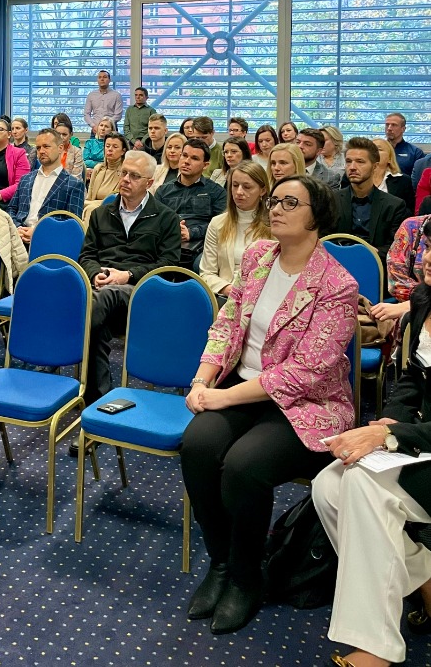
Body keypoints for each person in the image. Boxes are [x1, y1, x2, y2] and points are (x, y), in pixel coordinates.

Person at [181, 176, 358, 634]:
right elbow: (226, 325)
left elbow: (304, 373)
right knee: (197, 445)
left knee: (244, 465)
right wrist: (202, 380)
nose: (275, 208)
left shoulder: (337, 285)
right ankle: (221, 562)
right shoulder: (258, 257)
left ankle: (246, 577)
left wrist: (222, 396)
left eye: (289, 202)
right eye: (274, 200)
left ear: (317, 216)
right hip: (241, 387)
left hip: (307, 407)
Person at [313, 252, 431, 667]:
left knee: (363, 483)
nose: (427, 257)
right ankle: (425, 576)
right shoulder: (423, 300)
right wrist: (390, 419)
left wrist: (390, 435)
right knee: (328, 485)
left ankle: (376, 650)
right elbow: (413, 378)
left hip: (421, 442)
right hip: (421, 440)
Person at [76, 150, 181, 419]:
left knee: (101, 299)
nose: (125, 179)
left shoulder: (166, 217)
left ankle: (67, 332)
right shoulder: (101, 214)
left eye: (134, 176)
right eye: (123, 173)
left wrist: (128, 275)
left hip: (142, 293)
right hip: (102, 293)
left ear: (149, 182)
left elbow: (169, 266)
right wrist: (95, 273)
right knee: (97, 325)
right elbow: (87, 256)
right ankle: (97, 403)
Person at [199, 161, 270, 301]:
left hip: (262, 298)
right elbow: (206, 273)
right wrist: (229, 289)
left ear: (262, 190)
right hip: (225, 297)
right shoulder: (217, 223)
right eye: (235, 185)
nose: (239, 192)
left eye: (247, 187)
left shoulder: (274, 225)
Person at [156, 138, 226, 269]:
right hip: (167, 243)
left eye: (194, 158)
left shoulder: (216, 192)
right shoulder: (163, 191)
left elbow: (222, 225)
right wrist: (173, 229)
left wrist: (191, 232)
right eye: (184, 155)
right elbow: (154, 221)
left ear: (205, 165)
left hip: (202, 245)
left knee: (200, 263)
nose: (187, 161)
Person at [336, 137, 407, 266]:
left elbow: (395, 248)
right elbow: (322, 239)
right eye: (348, 161)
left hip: (375, 266)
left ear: (374, 166)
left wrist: (367, 254)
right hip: (336, 265)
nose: (352, 167)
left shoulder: (394, 205)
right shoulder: (331, 200)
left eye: (360, 162)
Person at [7, 128, 85, 244]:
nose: (41, 151)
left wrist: (39, 232)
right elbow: (11, 209)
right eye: (38, 148)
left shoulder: (74, 185)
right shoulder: (26, 179)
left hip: (49, 242)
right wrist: (18, 228)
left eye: (46, 146)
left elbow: (72, 224)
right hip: (18, 238)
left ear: (60, 148)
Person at [82, 133, 128, 227]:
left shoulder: (126, 171)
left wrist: (88, 204)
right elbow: (89, 196)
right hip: (92, 205)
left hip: (114, 211)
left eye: (115, 147)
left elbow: (119, 200)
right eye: (107, 146)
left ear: (123, 151)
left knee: (90, 209)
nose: (110, 149)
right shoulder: (98, 168)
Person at [372, 136, 415, 213]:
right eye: (371, 149)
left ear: (389, 158)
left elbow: (409, 211)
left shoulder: (403, 181)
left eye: (379, 149)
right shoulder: (355, 178)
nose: (373, 152)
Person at [385, 112, 425, 177]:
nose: (389, 128)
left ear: (403, 129)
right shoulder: (376, 149)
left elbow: (419, 178)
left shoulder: (415, 153)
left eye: (394, 125)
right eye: (387, 125)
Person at [52, 116, 85, 180]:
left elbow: (76, 177)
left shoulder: (77, 152)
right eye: (58, 134)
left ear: (71, 135)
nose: (61, 137)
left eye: (64, 134)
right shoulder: (51, 150)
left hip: (71, 184)